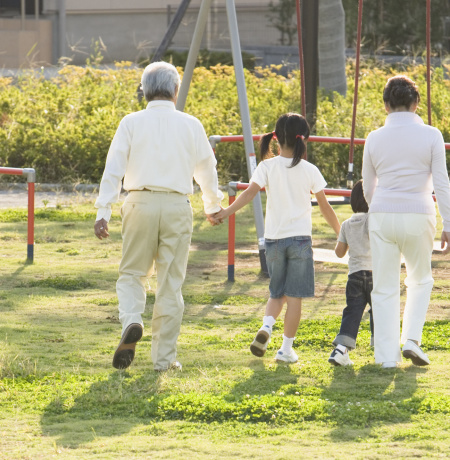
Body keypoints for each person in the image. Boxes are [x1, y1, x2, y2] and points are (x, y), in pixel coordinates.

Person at [94, 61, 222, 371]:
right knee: (170, 284)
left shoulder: (131, 122)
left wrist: (103, 211)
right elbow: (206, 169)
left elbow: (114, 168)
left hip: (140, 202)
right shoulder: (192, 124)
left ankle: (132, 320)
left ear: (145, 91)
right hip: (177, 205)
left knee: (132, 275)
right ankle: (163, 360)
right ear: (176, 90)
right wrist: (213, 205)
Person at [213, 112, 340, 363]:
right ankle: (285, 350)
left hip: (273, 240)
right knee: (294, 298)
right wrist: (340, 233)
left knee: (276, 293)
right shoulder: (309, 170)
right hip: (300, 241)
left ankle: (267, 327)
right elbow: (325, 207)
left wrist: (226, 212)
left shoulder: (266, 166)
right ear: (303, 139)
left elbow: (249, 194)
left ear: (276, 138)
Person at [362, 74, 450, 368]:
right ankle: (412, 340)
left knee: (384, 287)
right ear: (416, 103)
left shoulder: (374, 138)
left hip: (382, 213)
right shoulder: (431, 135)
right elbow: (441, 183)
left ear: (386, 105)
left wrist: (378, 206)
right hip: (419, 212)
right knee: (420, 279)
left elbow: (367, 186)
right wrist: (448, 223)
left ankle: (386, 358)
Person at [327, 179, 374, 368]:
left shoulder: (346, 224)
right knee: (380, 308)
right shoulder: (374, 220)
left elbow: (339, 252)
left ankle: (341, 351)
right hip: (375, 273)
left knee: (352, 312)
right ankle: (381, 345)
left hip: (354, 275)